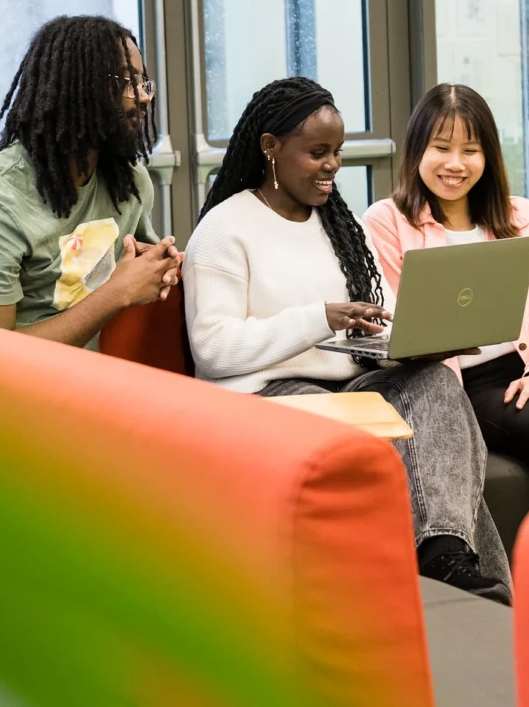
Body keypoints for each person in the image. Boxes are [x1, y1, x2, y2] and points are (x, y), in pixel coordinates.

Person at [183, 76, 511, 603]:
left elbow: (370, 314)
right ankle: (456, 577)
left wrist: (415, 338)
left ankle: (444, 552)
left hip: (350, 380)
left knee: (436, 385)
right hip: (264, 394)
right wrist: (321, 317)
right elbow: (214, 350)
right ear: (270, 148)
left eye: (336, 152)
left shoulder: (337, 224)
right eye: (317, 153)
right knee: (371, 436)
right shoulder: (225, 230)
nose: (332, 165)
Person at [364, 82, 529, 493]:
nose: (456, 163)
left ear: (488, 155)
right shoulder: (387, 222)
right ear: (417, 150)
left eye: (471, 150)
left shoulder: (528, 217)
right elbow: (399, 325)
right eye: (441, 147)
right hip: (470, 383)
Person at [0, 14, 179, 351]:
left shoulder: (128, 182)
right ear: (76, 87)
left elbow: (136, 266)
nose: (143, 97)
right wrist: (116, 293)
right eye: (126, 81)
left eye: (143, 83)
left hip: (76, 389)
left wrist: (160, 266)